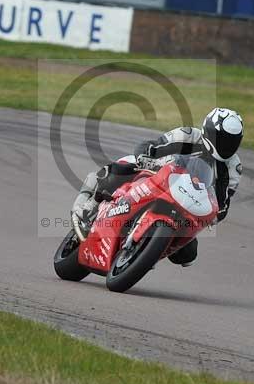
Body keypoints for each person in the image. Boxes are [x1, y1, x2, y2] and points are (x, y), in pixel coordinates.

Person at [71, 107, 244, 267]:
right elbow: (150, 146)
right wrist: (146, 157)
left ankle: (145, 251)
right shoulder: (188, 135)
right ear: (210, 131)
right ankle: (88, 207)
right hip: (157, 177)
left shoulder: (233, 168)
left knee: (188, 255)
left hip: (188, 205)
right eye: (222, 139)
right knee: (119, 168)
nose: (226, 145)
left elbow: (222, 205)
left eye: (232, 141)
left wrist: (212, 214)